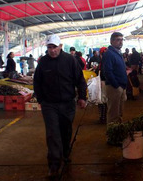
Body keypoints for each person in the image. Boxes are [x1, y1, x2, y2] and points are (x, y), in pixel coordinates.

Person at [34, 35, 87, 178]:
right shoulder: (43, 62)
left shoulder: (70, 60)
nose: (52, 50)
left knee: (66, 130)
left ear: (60, 46)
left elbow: (80, 80)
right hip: (49, 104)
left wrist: (82, 97)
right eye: (49, 48)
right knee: (52, 133)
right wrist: (40, 99)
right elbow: (37, 82)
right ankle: (54, 165)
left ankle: (65, 152)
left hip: (68, 103)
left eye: (54, 47)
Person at [103, 32, 127, 124]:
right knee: (113, 115)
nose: (120, 42)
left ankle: (118, 134)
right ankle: (112, 137)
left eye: (122, 40)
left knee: (119, 113)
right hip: (114, 88)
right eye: (118, 40)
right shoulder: (109, 54)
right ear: (111, 41)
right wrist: (117, 86)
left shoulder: (117, 53)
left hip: (120, 87)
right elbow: (108, 72)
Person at [98, 47, 107, 123]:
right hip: (108, 82)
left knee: (103, 100)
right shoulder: (108, 58)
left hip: (104, 81)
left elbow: (103, 72)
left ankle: (103, 117)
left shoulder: (104, 60)